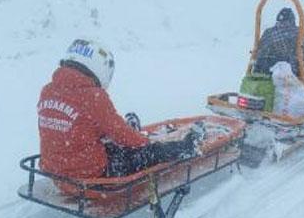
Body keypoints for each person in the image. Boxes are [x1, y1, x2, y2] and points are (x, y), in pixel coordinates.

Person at [38, 39, 203, 180]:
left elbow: (77, 127)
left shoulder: (48, 90)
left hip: (56, 171)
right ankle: (188, 146)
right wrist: (148, 144)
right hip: (90, 175)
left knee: (112, 139)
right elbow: (123, 136)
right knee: (149, 153)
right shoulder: (92, 96)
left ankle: (131, 130)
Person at [253, 8, 299, 76]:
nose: (282, 25)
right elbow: (261, 50)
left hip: (282, 70)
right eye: (280, 22)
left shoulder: (297, 34)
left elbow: (260, 52)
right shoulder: (270, 33)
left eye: (285, 23)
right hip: (275, 68)